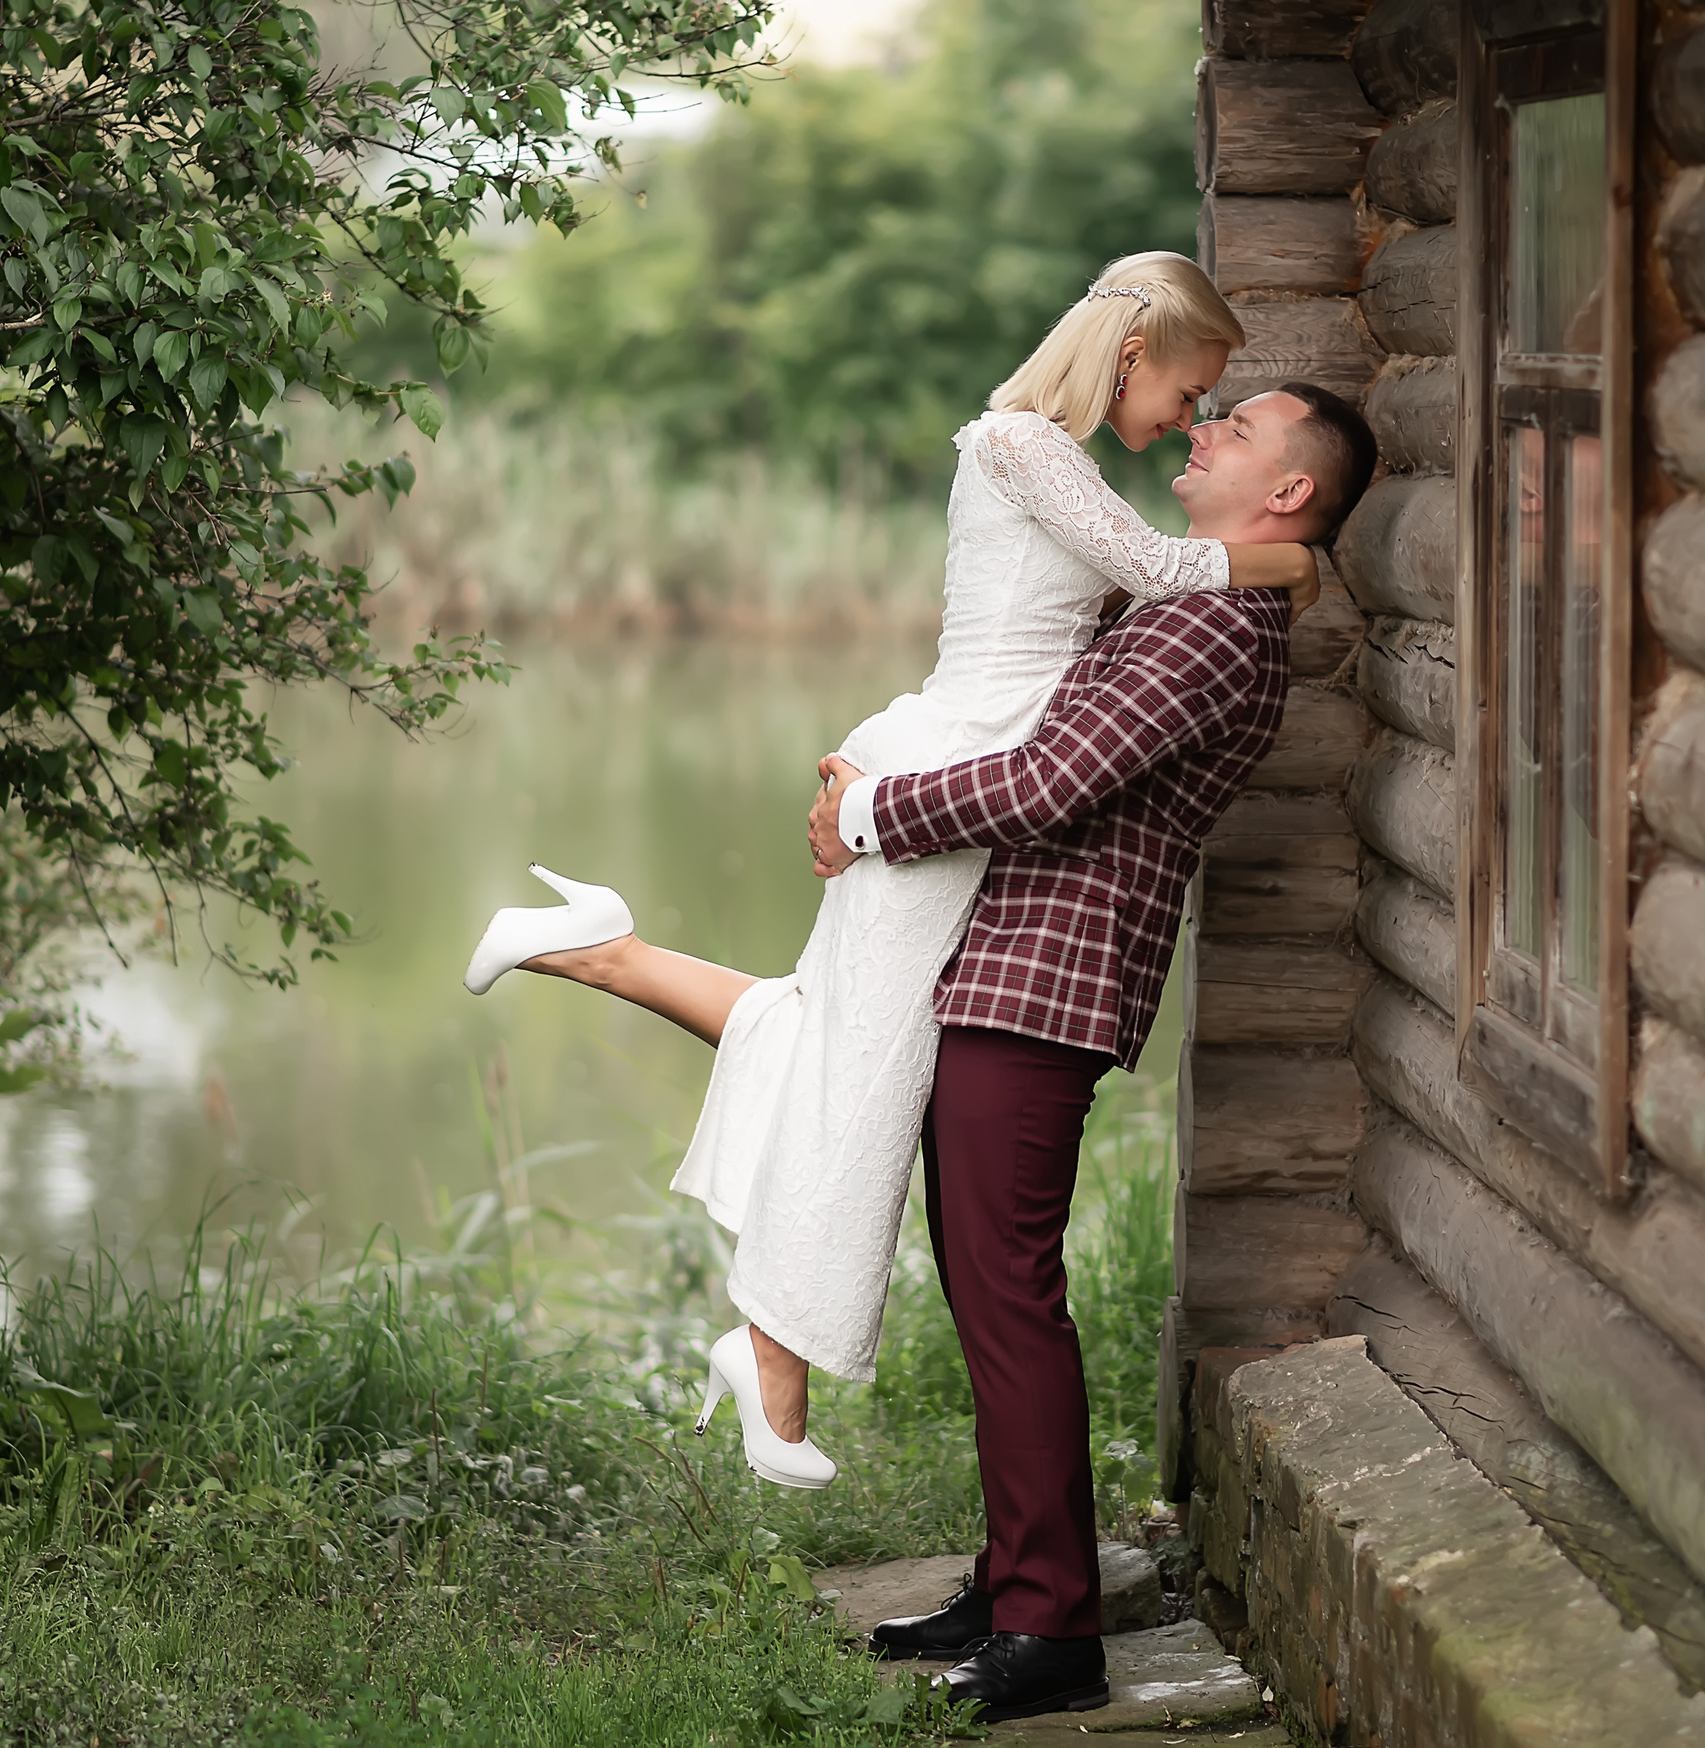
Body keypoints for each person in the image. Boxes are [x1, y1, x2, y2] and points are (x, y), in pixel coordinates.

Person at [461, 249, 1327, 1494]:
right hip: (947, 771)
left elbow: (1104, 632)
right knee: (860, 1067)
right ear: (1131, 355)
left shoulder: (1070, 472)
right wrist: (1292, 564)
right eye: (1192, 392)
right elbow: (1154, 574)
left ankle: (601, 948)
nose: (1190, 419)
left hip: (951, 778)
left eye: (1214, 413)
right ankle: (772, 1359)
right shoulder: (1022, 444)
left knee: (832, 1035)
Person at [818, 382, 1376, 1721]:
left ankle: (1051, 1630)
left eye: (1237, 428)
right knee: (989, 1293)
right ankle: (1015, 1580)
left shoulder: (1214, 625)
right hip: (1010, 965)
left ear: (1288, 490)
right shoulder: (1188, 596)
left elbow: (1050, 782)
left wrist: (874, 814)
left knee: (1009, 1297)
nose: (1203, 429)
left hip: (1045, 983)